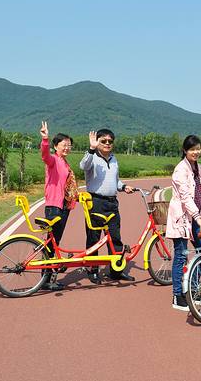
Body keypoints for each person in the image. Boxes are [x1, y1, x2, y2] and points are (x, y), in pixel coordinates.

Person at [166, 135, 201, 310]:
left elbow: (200, 195)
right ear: (185, 150)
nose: (196, 152)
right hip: (182, 218)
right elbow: (185, 198)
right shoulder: (180, 170)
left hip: (195, 217)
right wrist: (198, 217)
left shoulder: (199, 168)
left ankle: (192, 290)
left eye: (198, 148)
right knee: (181, 256)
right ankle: (177, 296)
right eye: (192, 149)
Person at [79, 128, 135, 283]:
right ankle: (93, 270)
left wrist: (123, 187)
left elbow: (115, 180)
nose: (107, 143)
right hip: (95, 202)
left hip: (112, 203)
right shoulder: (91, 157)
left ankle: (116, 271)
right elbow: (83, 166)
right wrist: (91, 148)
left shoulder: (114, 159)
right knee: (94, 238)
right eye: (103, 141)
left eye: (110, 141)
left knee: (115, 238)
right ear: (97, 142)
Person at [39, 121, 79, 291]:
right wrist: (45, 139)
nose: (67, 147)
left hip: (63, 206)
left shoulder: (64, 162)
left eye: (69, 145)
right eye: (64, 145)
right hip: (54, 206)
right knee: (51, 242)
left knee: (54, 241)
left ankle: (47, 278)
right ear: (56, 146)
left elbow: (66, 185)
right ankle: (45, 279)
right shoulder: (54, 160)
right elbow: (44, 156)